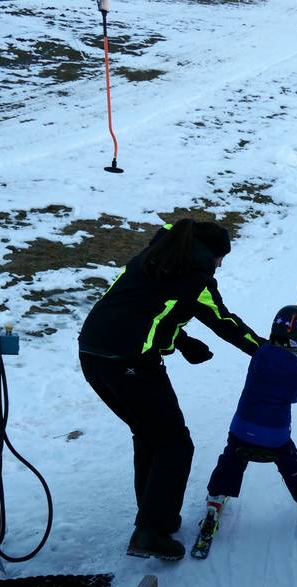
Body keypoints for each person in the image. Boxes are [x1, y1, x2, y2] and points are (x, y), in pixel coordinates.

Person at [78, 218, 265, 561]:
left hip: (92, 355)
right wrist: (268, 352)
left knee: (149, 435)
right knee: (174, 444)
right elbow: (226, 323)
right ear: (210, 253)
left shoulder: (153, 258)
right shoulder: (196, 276)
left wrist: (181, 340)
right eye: (221, 258)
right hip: (129, 363)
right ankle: (151, 530)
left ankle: (155, 518)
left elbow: (142, 308)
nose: (220, 265)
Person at [198, 305, 297, 546]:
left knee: (232, 459)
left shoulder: (260, 354)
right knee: (292, 463)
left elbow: (269, 360)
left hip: (241, 430)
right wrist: (292, 363)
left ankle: (216, 498)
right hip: (275, 438)